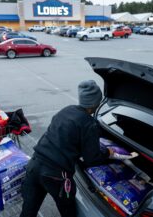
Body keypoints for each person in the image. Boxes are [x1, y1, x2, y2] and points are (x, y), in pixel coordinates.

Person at [20, 80, 113, 217]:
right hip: (56, 176)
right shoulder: (89, 123)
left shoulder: (66, 110)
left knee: (28, 212)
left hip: (34, 166)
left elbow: (63, 137)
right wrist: (108, 153)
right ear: (95, 103)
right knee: (68, 212)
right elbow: (92, 159)